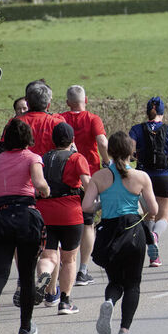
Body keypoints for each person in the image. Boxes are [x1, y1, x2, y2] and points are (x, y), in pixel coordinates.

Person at [83, 131, 158, 334]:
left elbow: (86, 206)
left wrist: (101, 205)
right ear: (131, 152)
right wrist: (140, 204)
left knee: (115, 280)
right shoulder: (141, 177)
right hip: (133, 230)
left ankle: (109, 300)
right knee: (133, 283)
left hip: (109, 232)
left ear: (110, 151)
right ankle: (124, 331)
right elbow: (153, 209)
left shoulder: (99, 176)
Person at [0, 118, 50, 334]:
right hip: (25, 217)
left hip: (0, 216)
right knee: (26, 275)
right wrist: (46, 190)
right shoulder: (33, 158)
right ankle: (24, 329)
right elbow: (39, 184)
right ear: (27, 138)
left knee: (0, 272)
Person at [33, 123, 91, 314]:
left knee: (48, 255)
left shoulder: (43, 158)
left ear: (53, 140)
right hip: (70, 213)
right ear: (72, 140)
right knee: (69, 259)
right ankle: (65, 301)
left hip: (45, 212)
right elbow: (88, 184)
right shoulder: (77, 158)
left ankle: (45, 275)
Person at [60, 85, 109, 288]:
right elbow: (102, 142)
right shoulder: (93, 119)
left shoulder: (60, 118)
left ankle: (64, 265)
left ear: (67, 102)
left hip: (65, 177)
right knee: (88, 223)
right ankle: (82, 269)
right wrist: (107, 162)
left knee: (63, 223)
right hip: (89, 177)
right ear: (85, 100)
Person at [129, 97, 168, 267]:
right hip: (164, 177)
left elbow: (130, 154)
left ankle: (154, 256)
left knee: (148, 215)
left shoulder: (136, 130)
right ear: (162, 112)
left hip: (143, 177)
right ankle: (156, 238)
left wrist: (137, 156)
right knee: (163, 216)